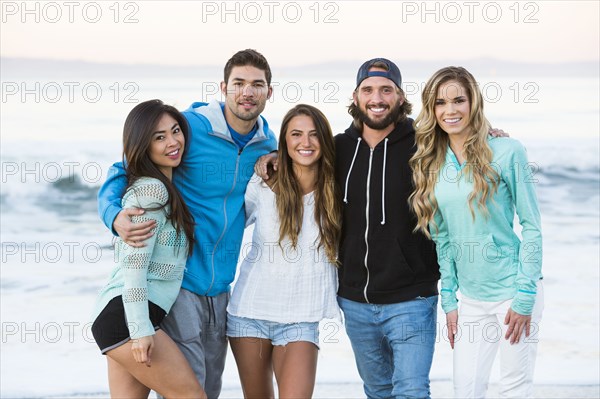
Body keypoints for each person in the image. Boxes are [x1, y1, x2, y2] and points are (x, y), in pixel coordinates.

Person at [256, 58, 441, 398]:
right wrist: (273, 154)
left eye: (387, 90)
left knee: (412, 390)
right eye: (368, 90)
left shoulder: (426, 145)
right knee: (377, 390)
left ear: (400, 97)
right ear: (356, 97)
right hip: (355, 301)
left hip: (412, 297)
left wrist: (489, 133)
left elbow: (464, 140)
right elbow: (302, 150)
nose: (377, 98)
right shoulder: (339, 148)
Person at [97, 49, 277, 397]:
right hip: (179, 286)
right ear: (223, 87)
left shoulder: (266, 143)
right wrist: (114, 216)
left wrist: (278, 157)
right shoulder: (188, 128)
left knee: (209, 388)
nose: (247, 92)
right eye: (239, 83)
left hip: (222, 289)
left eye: (257, 85)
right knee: (191, 392)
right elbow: (125, 168)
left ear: (269, 92)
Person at [409, 66, 543, 398]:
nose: (450, 110)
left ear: (474, 103)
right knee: (465, 389)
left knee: (513, 387)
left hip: (514, 291)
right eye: (440, 102)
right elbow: (444, 239)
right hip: (470, 300)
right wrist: (451, 301)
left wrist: (525, 298)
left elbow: (532, 227)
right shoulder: (431, 163)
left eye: (459, 100)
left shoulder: (508, 151)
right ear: (432, 109)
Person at [91, 99, 206, 398]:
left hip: (122, 318)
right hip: (128, 320)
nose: (173, 142)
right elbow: (134, 269)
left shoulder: (163, 187)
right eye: (159, 137)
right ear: (143, 145)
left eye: (176, 131)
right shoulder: (150, 192)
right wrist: (141, 331)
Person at [227, 104, 342, 398]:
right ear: (285, 141)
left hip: (302, 317)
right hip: (249, 313)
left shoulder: (337, 186)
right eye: (296, 134)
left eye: (314, 134)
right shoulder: (264, 182)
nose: (306, 142)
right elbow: (228, 224)